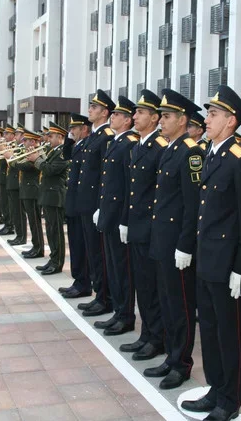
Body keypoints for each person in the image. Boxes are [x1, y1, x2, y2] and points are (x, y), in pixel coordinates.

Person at [181, 85, 241, 421]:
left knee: (228, 333)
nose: (206, 120)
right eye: (208, 114)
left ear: (231, 121)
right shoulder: (212, 153)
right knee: (208, 330)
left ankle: (230, 399)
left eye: (213, 115)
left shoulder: (240, 159)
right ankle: (215, 388)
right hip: (206, 260)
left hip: (226, 265)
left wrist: (239, 267)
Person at [145, 89, 204, 390]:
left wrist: (185, 244)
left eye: (166, 116)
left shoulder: (191, 152)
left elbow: (192, 205)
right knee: (167, 304)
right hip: (162, 240)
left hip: (176, 244)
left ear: (182, 120)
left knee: (180, 307)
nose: (162, 121)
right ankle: (171, 355)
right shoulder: (170, 149)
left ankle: (181, 364)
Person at [119, 90, 167, 360]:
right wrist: (126, 221)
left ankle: (155, 337)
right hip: (137, 226)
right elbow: (132, 189)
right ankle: (146, 333)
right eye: (135, 112)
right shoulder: (138, 146)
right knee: (142, 285)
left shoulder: (159, 148)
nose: (134, 116)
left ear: (154, 118)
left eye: (140, 113)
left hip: (151, 229)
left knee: (152, 287)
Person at [94, 97, 140, 335]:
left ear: (127, 120)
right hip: (108, 214)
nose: (112, 118)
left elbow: (127, 187)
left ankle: (125, 315)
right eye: (113, 115)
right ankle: (118, 312)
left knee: (123, 269)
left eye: (117, 115)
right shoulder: (115, 142)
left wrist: (124, 219)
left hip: (119, 215)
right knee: (113, 266)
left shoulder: (129, 143)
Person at [77, 90, 115, 317]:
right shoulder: (93, 136)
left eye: (93, 108)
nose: (89, 110)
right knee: (93, 253)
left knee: (100, 254)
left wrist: (100, 206)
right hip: (86, 204)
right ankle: (98, 294)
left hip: (95, 205)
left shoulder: (107, 137)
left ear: (104, 113)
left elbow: (104, 175)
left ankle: (104, 297)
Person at [59, 114, 93, 299]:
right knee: (74, 244)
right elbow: (66, 154)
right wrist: (68, 139)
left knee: (81, 246)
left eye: (75, 128)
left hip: (81, 204)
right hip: (73, 203)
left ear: (84, 129)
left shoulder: (86, 146)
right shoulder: (78, 146)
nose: (71, 131)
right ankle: (78, 280)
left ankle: (83, 283)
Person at [30, 122, 70, 275]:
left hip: (55, 195)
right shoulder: (53, 151)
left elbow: (50, 170)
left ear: (60, 137)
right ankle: (53, 259)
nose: (48, 139)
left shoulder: (62, 153)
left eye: (51, 136)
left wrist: (36, 160)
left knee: (56, 231)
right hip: (48, 194)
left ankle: (57, 263)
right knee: (50, 230)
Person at [10, 130, 45, 259]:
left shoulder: (37, 153)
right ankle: (35, 246)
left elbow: (25, 166)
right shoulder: (29, 152)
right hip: (27, 190)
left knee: (35, 222)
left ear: (33, 141)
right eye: (24, 140)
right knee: (32, 221)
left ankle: (38, 248)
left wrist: (11, 159)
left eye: (26, 140)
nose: (23, 142)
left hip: (33, 191)